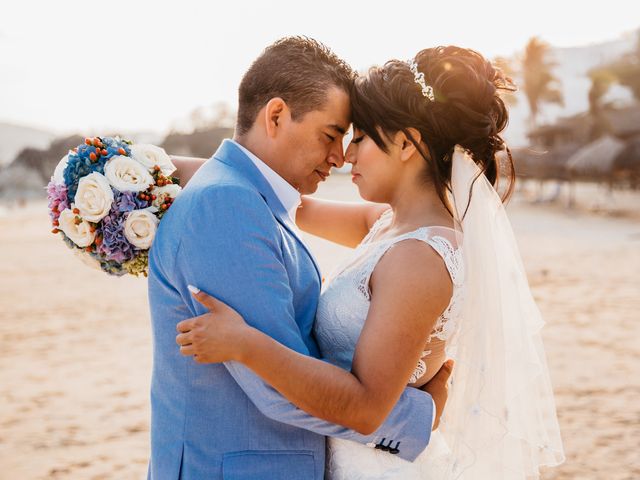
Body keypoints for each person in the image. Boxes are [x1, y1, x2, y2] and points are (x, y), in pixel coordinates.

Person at [175, 46, 565, 478]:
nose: (346, 156)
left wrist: (245, 343)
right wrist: (151, 169)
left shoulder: (419, 259)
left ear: (405, 143)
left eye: (360, 137)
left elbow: (365, 408)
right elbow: (285, 200)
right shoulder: (387, 225)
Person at [148, 36, 449, 480]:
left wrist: (154, 166)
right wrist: (420, 416)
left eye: (352, 139)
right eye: (331, 135)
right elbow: (277, 388)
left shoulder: (249, 195)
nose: (339, 157)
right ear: (275, 116)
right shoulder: (226, 206)